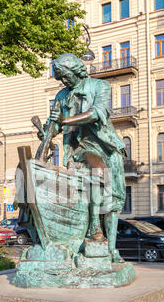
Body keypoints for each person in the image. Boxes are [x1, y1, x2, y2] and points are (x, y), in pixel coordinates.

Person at [44, 53, 126, 262]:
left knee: (112, 202)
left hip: (105, 146)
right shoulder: (62, 95)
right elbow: (54, 126)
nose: (63, 81)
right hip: (78, 148)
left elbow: (97, 112)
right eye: (60, 78)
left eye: (65, 76)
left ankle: (112, 249)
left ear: (75, 70)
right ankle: (85, 233)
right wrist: (47, 130)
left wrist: (65, 119)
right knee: (80, 187)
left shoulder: (100, 86)